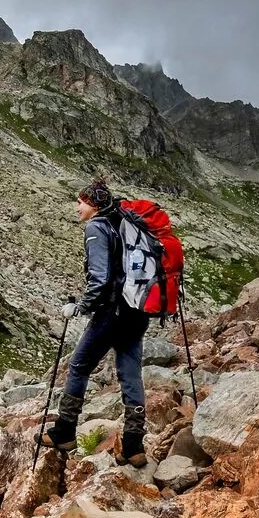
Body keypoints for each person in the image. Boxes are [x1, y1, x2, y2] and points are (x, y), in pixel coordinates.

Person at [45, 179, 150, 464]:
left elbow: (100, 277)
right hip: (137, 311)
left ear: (93, 204)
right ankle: (133, 446)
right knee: (130, 373)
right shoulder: (126, 225)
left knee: (78, 366)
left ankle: (64, 431)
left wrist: (80, 307)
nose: (77, 207)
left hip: (111, 311)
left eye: (80, 202)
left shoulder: (96, 227)